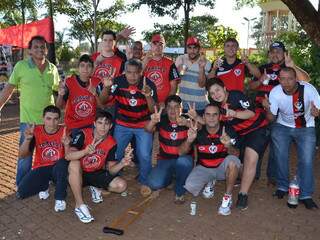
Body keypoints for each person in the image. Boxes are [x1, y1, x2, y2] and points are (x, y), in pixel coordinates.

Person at [0, 35, 60, 185]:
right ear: (30, 51)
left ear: (46, 49)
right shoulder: (21, 66)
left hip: (49, 123)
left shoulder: (52, 69)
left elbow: (59, 92)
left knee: (48, 155)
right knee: (25, 158)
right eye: (36, 47)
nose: (40, 49)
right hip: (28, 122)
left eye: (42, 47)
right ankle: (21, 186)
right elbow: (8, 90)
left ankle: (45, 183)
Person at [202, 78, 268, 210]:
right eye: (212, 93)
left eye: (217, 90)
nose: (216, 94)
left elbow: (251, 112)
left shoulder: (236, 95)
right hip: (239, 134)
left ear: (224, 88)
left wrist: (235, 113)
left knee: (250, 158)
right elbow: (211, 122)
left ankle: (243, 194)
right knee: (237, 163)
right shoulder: (216, 105)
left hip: (257, 129)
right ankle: (222, 175)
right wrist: (193, 118)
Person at [249, 41, 310, 183]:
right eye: (272, 51)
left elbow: (306, 80)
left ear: (284, 53)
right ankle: (253, 175)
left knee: (278, 147)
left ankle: (274, 177)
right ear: (269, 54)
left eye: (278, 51)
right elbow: (251, 86)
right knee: (257, 144)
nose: (275, 54)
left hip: (281, 115)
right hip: (260, 112)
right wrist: (260, 80)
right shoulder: (263, 68)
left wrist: (292, 65)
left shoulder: (289, 69)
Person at [262, 67, 319, 210]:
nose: (286, 82)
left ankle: (305, 194)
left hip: (306, 127)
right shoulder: (275, 92)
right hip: (282, 126)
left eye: (290, 79)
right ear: (279, 80)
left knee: (306, 160)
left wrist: (316, 112)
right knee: (281, 157)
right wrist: (267, 108)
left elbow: (317, 110)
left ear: (296, 79)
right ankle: (282, 186)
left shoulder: (309, 89)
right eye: (282, 79)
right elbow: (271, 118)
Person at [99, 58, 158, 197]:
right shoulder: (118, 82)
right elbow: (102, 101)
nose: (132, 76)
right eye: (129, 72)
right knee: (116, 153)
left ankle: (145, 182)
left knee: (144, 154)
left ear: (141, 73)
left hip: (142, 125)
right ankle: (112, 179)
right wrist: (107, 87)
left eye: (136, 73)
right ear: (124, 72)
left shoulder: (148, 84)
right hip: (123, 124)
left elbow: (152, 110)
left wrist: (148, 95)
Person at [66, 110, 131, 223]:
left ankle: (94, 186)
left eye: (106, 123)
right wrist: (85, 151)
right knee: (75, 163)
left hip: (95, 172)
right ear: (94, 123)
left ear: (110, 126)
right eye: (100, 123)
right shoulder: (83, 134)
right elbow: (68, 156)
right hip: (78, 173)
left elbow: (111, 170)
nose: (103, 127)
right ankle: (79, 205)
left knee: (121, 186)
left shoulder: (112, 142)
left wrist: (122, 163)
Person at [181, 103, 240, 216]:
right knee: (190, 186)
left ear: (219, 117)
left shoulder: (228, 130)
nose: (211, 118)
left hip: (222, 168)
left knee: (233, 162)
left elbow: (236, 154)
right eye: (208, 114)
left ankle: (227, 197)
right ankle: (210, 180)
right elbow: (181, 152)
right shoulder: (197, 130)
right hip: (204, 167)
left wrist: (228, 146)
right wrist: (189, 140)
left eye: (214, 114)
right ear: (203, 117)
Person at [16, 105, 69, 212]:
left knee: (62, 163)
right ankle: (44, 184)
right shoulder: (36, 131)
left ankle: (60, 198)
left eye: (55, 119)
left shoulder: (65, 131)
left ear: (59, 119)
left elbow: (69, 157)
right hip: (41, 167)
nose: (52, 123)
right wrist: (27, 139)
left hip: (58, 169)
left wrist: (67, 144)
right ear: (43, 118)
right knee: (21, 192)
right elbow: (22, 155)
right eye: (48, 118)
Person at [145, 95, 193, 204]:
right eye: (170, 107)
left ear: (181, 108)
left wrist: (187, 123)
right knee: (154, 183)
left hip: (183, 159)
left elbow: (199, 127)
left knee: (184, 161)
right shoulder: (162, 119)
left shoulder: (187, 120)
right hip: (165, 160)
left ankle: (179, 191)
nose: (173, 110)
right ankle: (171, 178)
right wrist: (153, 121)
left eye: (176, 107)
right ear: (166, 109)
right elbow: (147, 129)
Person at [56, 54, 101, 136]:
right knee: (74, 148)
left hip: (91, 124)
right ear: (78, 68)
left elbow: (101, 106)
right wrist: (60, 94)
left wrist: (95, 94)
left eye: (89, 66)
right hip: (74, 125)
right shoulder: (69, 82)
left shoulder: (97, 82)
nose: (85, 69)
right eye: (82, 65)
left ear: (92, 69)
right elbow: (59, 106)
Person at [175, 36, 211, 115]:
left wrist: (201, 68)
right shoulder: (181, 58)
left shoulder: (206, 62)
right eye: (190, 48)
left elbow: (202, 84)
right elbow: (178, 77)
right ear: (186, 49)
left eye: (195, 48)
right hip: (183, 105)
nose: (192, 51)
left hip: (201, 106)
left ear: (199, 49)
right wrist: (183, 67)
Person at [143, 34, 180, 104]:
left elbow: (174, 87)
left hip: (163, 105)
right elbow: (136, 78)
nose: (157, 47)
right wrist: (145, 60)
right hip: (146, 104)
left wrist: (166, 103)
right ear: (151, 45)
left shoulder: (170, 63)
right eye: (155, 44)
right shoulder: (144, 61)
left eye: (160, 44)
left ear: (164, 46)